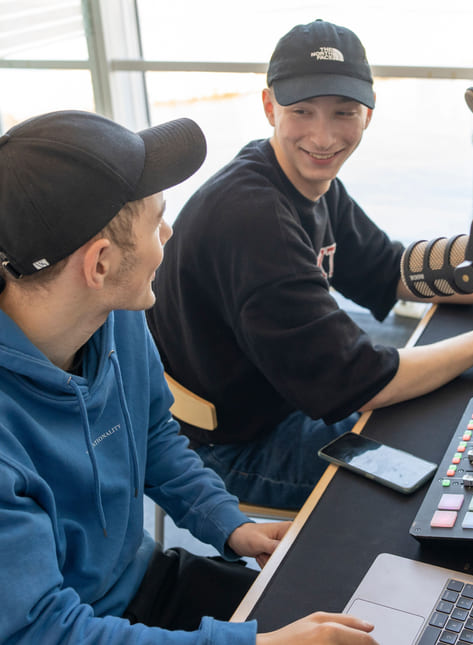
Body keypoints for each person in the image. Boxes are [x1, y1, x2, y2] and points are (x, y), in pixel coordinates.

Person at [146, 20, 473, 511]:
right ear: (270, 108)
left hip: (288, 395)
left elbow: (391, 268)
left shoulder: (303, 180)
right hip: (231, 444)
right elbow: (357, 380)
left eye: (343, 112)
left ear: (368, 114)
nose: (323, 135)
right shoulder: (253, 219)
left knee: (458, 425)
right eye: (302, 112)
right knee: (447, 478)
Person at [0, 110, 378, 644]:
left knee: (356, 612)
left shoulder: (117, 314)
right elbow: (44, 632)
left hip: (138, 585)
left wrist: (230, 523)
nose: (170, 232)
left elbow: (154, 436)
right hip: (67, 628)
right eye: (157, 221)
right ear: (100, 264)